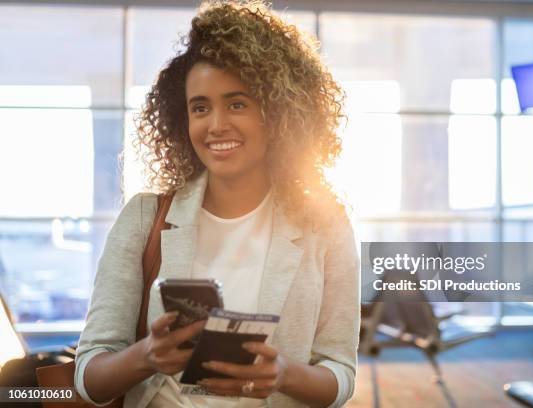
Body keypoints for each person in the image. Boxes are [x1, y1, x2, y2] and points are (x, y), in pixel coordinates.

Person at [74, 1, 360, 407]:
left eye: (237, 103)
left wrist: (284, 375)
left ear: (276, 113)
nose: (216, 124)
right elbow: (89, 378)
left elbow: (340, 373)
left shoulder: (324, 224)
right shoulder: (144, 217)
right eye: (200, 107)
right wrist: (146, 356)